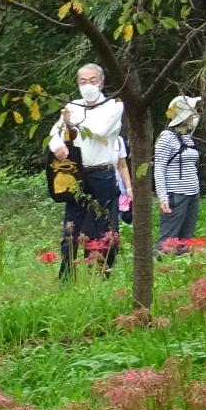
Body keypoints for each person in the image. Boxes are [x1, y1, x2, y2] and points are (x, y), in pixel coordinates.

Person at [48, 63, 126, 276]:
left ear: (101, 82)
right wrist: (58, 146)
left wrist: (71, 126)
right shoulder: (73, 106)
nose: (88, 85)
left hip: (103, 174)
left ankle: (102, 273)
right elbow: (55, 132)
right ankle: (66, 275)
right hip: (77, 174)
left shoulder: (113, 105)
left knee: (104, 225)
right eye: (82, 82)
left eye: (92, 81)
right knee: (71, 225)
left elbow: (98, 131)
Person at [155, 95, 204, 249]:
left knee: (186, 241)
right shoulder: (166, 137)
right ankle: (158, 269)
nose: (196, 114)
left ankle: (180, 270)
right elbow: (159, 168)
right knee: (168, 240)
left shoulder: (187, 136)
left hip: (192, 194)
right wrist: (163, 197)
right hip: (175, 194)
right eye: (193, 110)